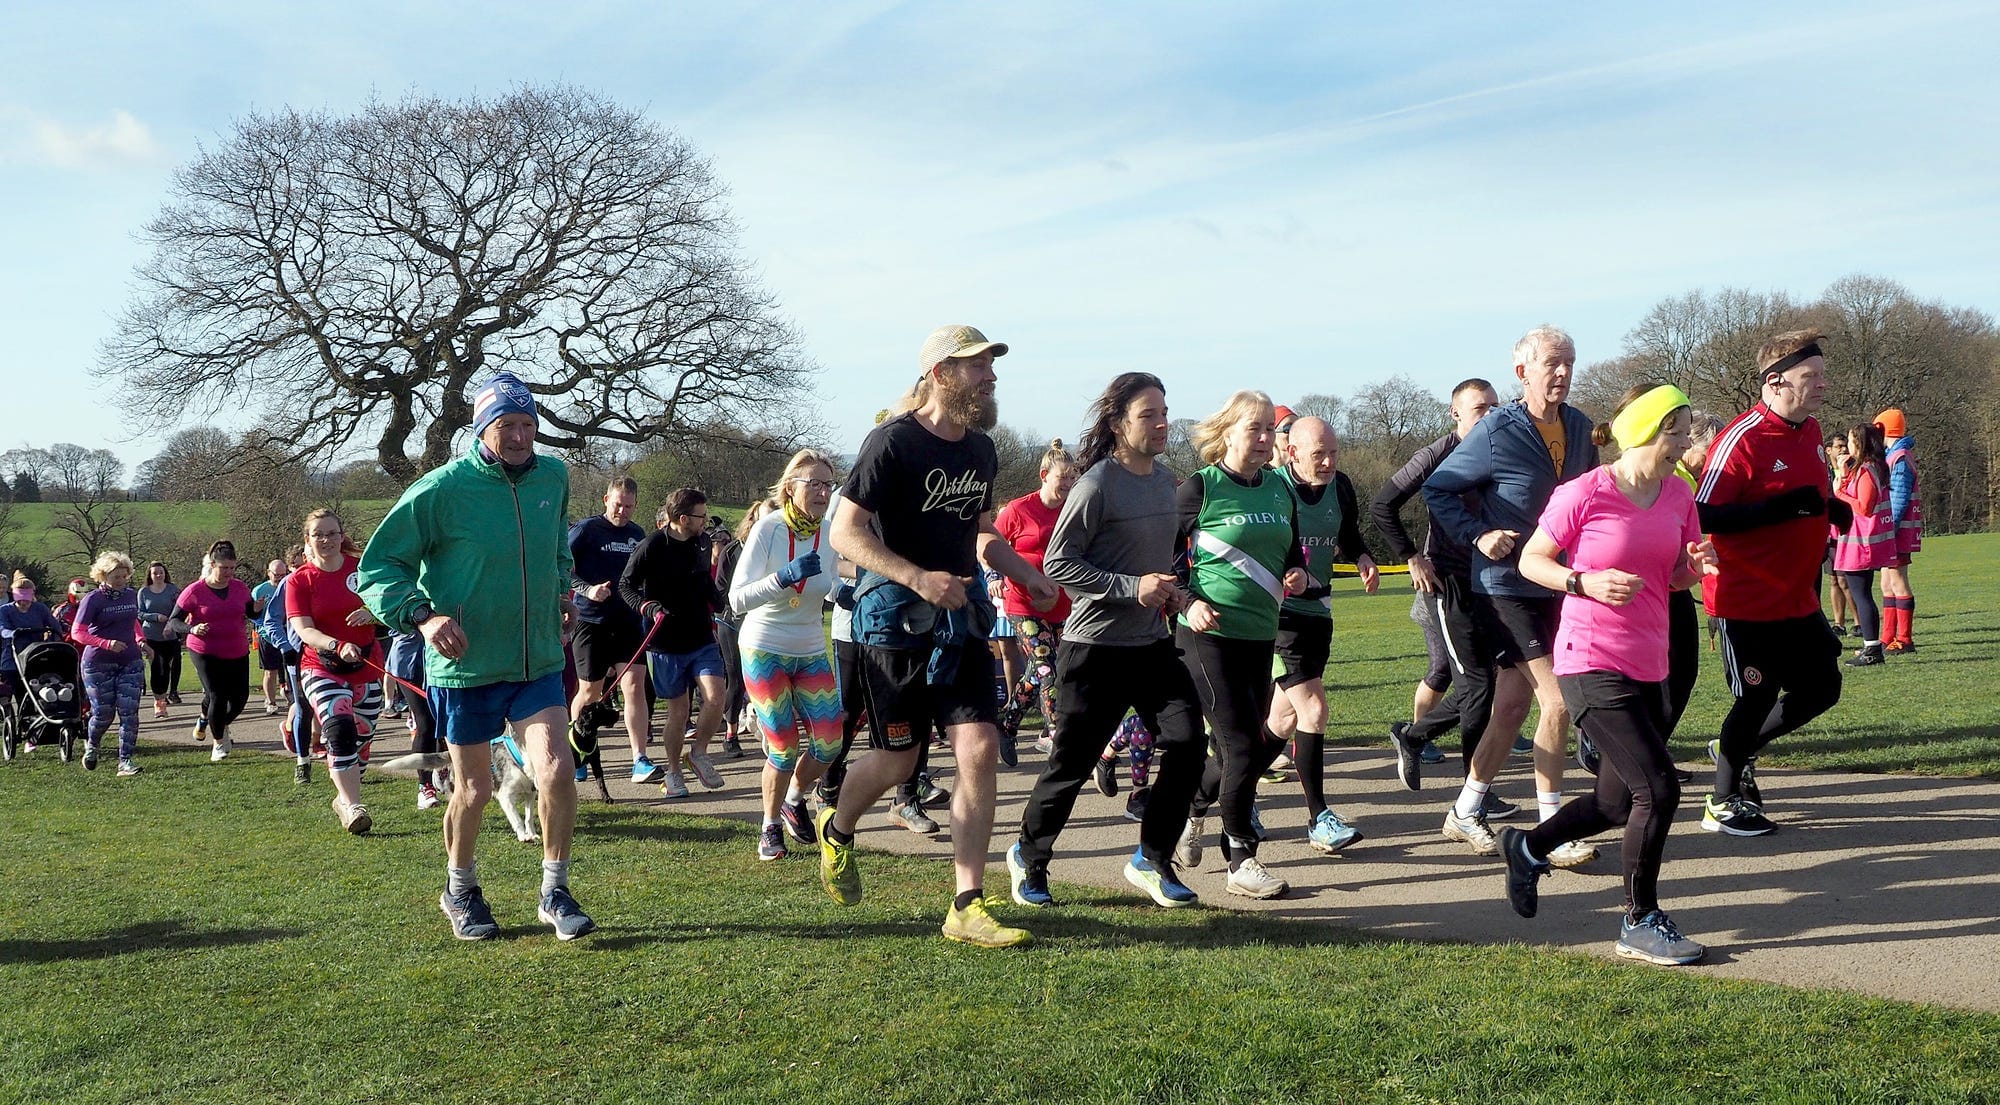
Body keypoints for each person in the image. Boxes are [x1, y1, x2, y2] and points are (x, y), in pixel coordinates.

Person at [822, 323, 1058, 948]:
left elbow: (980, 534)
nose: (991, 376)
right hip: (893, 620)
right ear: (940, 373)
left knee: (978, 747)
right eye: (978, 366)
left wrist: (1022, 571)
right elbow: (844, 533)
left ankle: (966, 903)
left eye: (990, 366)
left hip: (960, 621)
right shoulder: (891, 443)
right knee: (899, 758)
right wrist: (916, 577)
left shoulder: (981, 449)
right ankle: (839, 826)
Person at [356, 371, 594, 941]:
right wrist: (423, 615)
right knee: (474, 789)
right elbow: (377, 566)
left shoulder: (553, 477)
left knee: (559, 771)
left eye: (527, 424)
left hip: (536, 659)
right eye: (505, 425)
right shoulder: (442, 489)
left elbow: (557, 541)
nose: (518, 436)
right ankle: (459, 889)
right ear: (483, 428)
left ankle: (554, 889)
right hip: (465, 667)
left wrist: (563, 590)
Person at [1503, 383, 1717, 966]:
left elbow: (1670, 576)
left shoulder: (1679, 495)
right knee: (1661, 788)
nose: (1685, 442)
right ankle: (1639, 920)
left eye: (1687, 430)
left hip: (1649, 659)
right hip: (1588, 656)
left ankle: (1527, 847)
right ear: (1645, 431)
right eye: (1676, 431)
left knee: (1615, 803)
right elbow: (1531, 560)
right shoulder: (1586, 491)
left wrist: (1692, 570)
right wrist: (1583, 581)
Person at [1008, 371, 1207, 909]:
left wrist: (1178, 596)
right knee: (1071, 765)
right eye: (1149, 415)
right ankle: (1029, 858)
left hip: (1152, 646)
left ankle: (1151, 857)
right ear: (1119, 424)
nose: (1162, 422)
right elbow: (1059, 563)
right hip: (1093, 649)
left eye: (1164, 412)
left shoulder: (1168, 483)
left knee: (1188, 745)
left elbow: (1163, 566)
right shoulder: (1095, 485)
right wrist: (1130, 588)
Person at [1421, 326, 1600, 866]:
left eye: (1570, 362)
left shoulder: (1581, 427)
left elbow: (1591, 498)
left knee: (1512, 706)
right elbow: (1438, 488)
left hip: (1555, 582)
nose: (1563, 373)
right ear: (1523, 371)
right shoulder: (1498, 429)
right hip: (1503, 588)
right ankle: (1551, 830)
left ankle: (1465, 808)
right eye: (1552, 363)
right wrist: (1477, 533)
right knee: (1558, 701)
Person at [1695, 331, 1846, 836]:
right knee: (1757, 697)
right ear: (1776, 381)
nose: (1823, 385)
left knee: (1824, 686)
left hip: (1796, 594)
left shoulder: (1811, 429)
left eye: (1823, 375)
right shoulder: (1742, 438)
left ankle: (1735, 750)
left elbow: (1810, 491)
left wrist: (1831, 507)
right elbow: (1701, 514)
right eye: (1812, 377)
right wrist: (1778, 510)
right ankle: (1721, 800)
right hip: (1745, 596)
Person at [1173, 390, 1310, 900]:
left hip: (1260, 633)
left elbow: (1291, 551)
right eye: (1252, 428)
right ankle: (1242, 859)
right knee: (1242, 745)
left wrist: (1295, 571)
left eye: (1268, 430)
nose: (1263, 439)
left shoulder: (1279, 489)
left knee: (1242, 749)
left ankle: (1194, 806)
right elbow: (1167, 562)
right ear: (1226, 432)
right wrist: (1187, 602)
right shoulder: (1198, 489)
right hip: (1207, 636)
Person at [1371, 379, 1512, 812]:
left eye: (1493, 406)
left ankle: (1414, 737)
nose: (1488, 414)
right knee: (1478, 684)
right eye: (1478, 408)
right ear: (1456, 413)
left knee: (1484, 685)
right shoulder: (1437, 454)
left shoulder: (1505, 448)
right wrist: (1411, 555)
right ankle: (1475, 794)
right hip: (1447, 581)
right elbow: (1383, 504)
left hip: (1493, 580)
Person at [1265, 416, 1379, 854]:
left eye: (1333, 452)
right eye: (1319, 454)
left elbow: (1347, 533)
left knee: (1282, 721)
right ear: (1291, 452)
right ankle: (1320, 818)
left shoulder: (1342, 485)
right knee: (1313, 709)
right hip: (1280, 616)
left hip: (1319, 611)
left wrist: (1363, 557)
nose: (1329, 461)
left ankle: (1208, 791)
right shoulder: (1272, 488)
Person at [729, 449, 844, 861]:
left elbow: (826, 582)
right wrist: (782, 578)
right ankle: (769, 827)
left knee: (830, 740)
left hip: (810, 647)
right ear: (789, 488)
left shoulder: (829, 530)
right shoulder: (769, 530)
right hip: (764, 647)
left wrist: (844, 594)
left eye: (827, 485)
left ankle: (795, 798)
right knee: (783, 745)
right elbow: (737, 599)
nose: (821, 492)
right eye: (813, 483)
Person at [618, 487, 729, 798]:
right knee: (678, 711)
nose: (706, 521)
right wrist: (646, 607)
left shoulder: (703, 542)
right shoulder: (651, 546)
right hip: (664, 644)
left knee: (715, 696)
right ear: (682, 518)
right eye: (701, 516)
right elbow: (625, 585)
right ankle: (673, 771)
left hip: (701, 638)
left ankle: (698, 753)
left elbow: (704, 579)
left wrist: (720, 603)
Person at [288, 509, 385, 834]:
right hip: (321, 666)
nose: (326, 540)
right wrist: (336, 644)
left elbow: (388, 608)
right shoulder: (300, 580)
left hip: (368, 665)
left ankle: (345, 793)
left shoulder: (362, 568)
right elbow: (304, 630)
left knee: (362, 735)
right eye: (319, 534)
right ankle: (352, 805)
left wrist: (373, 614)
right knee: (339, 727)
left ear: (342, 536)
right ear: (308, 540)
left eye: (332, 533)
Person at [994, 439, 1079, 766]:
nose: (1068, 485)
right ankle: (1057, 737)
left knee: (1037, 670)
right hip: (1024, 603)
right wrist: (994, 579)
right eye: (1063, 478)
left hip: (1063, 604)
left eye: (1073, 479)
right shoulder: (1018, 510)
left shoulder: (1074, 510)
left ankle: (1008, 721)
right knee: (1047, 669)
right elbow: (989, 546)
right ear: (1044, 475)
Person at [568, 476, 655, 783]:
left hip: (627, 622)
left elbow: (644, 575)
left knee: (634, 685)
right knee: (590, 692)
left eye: (629, 506)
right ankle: (578, 751)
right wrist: (587, 589)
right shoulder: (586, 530)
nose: (623, 511)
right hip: (591, 621)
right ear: (606, 500)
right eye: (618, 505)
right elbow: (561, 567)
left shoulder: (637, 534)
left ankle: (640, 759)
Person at [173, 540, 258, 761]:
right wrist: (192, 628)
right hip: (205, 650)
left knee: (240, 698)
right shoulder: (195, 591)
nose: (228, 572)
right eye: (224, 568)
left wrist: (258, 609)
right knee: (217, 696)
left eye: (232, 568)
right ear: (212, 564)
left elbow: (251, 613)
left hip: (237, 649)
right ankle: (219, 743)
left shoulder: (240, 588)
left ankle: (214, 721)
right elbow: (173, 622)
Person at [71, 552, 147, 776]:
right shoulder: (93, 599)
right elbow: (78, 632)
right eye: (116, 577)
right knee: (104, 713)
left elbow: (133, 621)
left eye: (124, 576)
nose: (121, 581)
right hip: (98, 663)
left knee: (129, 712)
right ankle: (92, 745)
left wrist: (141, 640)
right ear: (103, 575)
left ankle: (125, 761)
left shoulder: (130, 595)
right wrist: (105, 643)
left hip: (130, 660)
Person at [1833, 423, 1896, 667]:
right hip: (1861, 540)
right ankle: (1871, 646)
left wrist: (1840, 494)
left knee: (1861, 594)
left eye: (1850, 441)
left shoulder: (1868, 470)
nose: (1847, 447)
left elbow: (1864, 507)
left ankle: (1872, 648)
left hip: (1861, 543)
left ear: (1859, 443)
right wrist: (1845, 473)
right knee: (1862, 593)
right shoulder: (1869, 468)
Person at [260, 545, 320, 786]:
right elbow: (271, 620)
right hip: (300, 657)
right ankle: (302, 762)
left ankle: (344, 760)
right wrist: (285, 647)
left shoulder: (336, 577)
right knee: (304, 709)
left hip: (333, 655)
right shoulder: (291, 582)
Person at [1875, 408, 1922, 652]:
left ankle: (1904, 639)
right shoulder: (1894, 455)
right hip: (1890, 531)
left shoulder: (1900, 457)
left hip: (1896, 531)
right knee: (1886, 584)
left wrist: (1888, 530)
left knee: (1898, 581)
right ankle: (1887, 637)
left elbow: (1899, 499)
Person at [2, 573, 65, 755]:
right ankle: (26, 732)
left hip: (37, 657)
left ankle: (45, 727)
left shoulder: (40, 609)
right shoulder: (5, 611)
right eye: (20, 600)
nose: (24, 604)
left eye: (27, 600)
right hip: (13, 660)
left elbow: (53, 625)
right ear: (15, 596)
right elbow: (2, 628)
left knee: (41, 693)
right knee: (23, 696)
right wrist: (13, 633)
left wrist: (54, 636)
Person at [137, 562, 182, 718]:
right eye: (155, 573)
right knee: (157, 668)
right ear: (150, 575)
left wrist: (170, 623)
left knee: (168, 668)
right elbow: (140, 613)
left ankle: (167, 694)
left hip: (170, 635)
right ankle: (159, 703)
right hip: (151, 635)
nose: (158, 575)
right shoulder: (143, 592)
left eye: (161, 572)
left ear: (165, 573)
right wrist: (155, 617)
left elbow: (180, 609)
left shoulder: (173, 590)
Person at [1823, 434, 1855, 635]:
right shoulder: (1822, 470)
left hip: (1845, 532)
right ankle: (1839, 623)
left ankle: (1859, 622)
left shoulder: (1850, 470)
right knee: (1834, 580)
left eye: (1845, 446)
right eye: (1839, 446)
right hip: (1827, 532)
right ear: (1828, 450)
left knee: (1846, 580)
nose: (1843, 450)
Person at [252, 558, 290, 715]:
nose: (280, 578)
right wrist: (263, 622)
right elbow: (252, 614)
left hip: (287, 634)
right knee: (270, 671)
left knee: (291, 668)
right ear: (269, 573)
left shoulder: (290, 586)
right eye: (277, 575)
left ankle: (292, 698)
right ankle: (271, 702)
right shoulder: (259, 590)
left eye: (283, 574)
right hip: (267, 636)